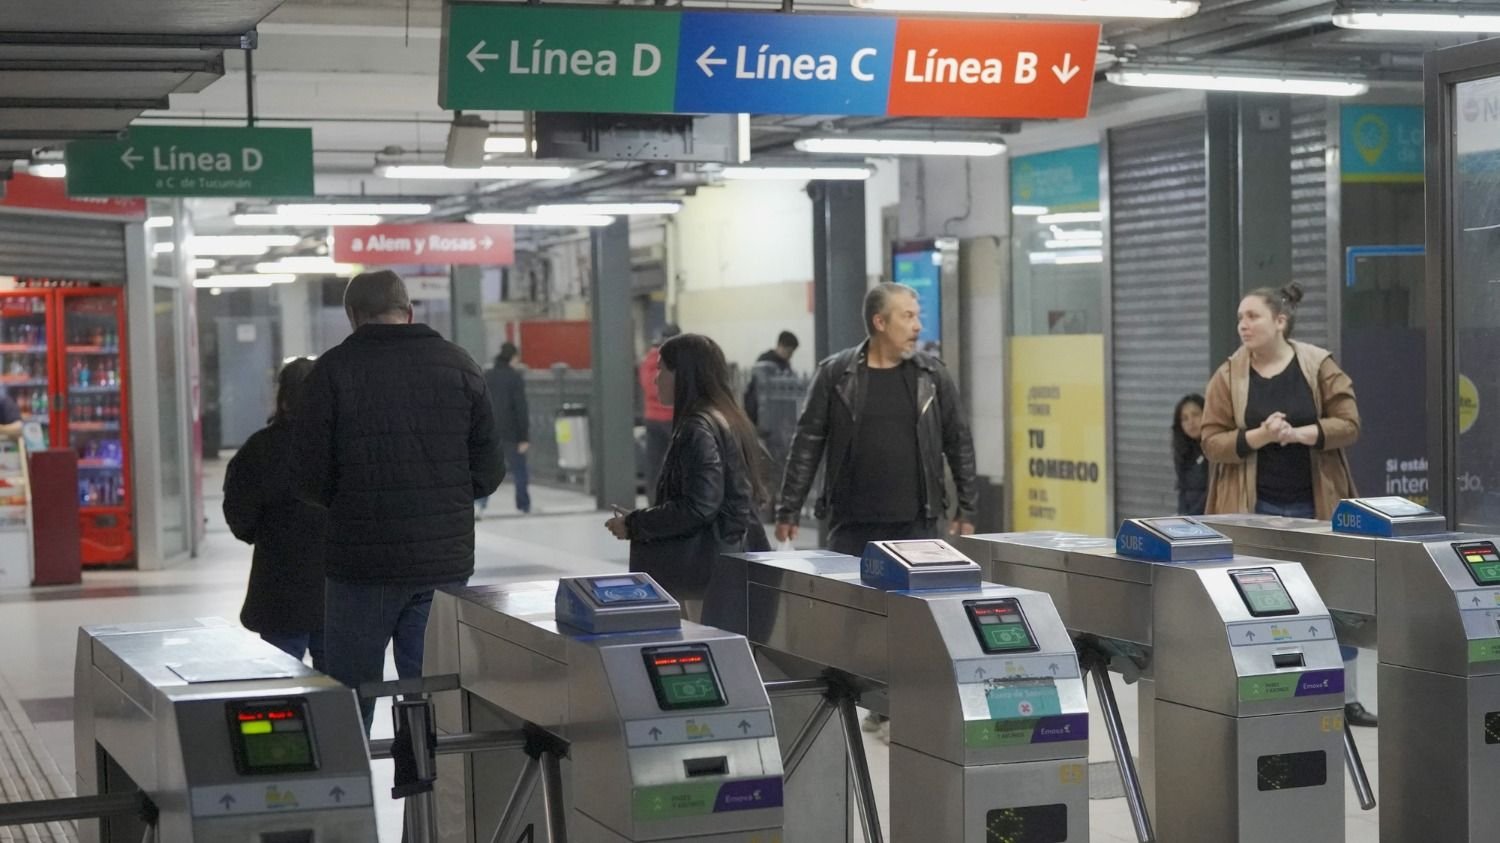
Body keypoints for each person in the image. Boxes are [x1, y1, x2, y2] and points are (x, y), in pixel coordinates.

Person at [294, 270, 504, 730]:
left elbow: (308, 477)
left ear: (353, 317)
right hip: (442, 565)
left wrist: (349, 502)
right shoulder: (460, 364)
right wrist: (441, 497)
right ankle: (430, 795)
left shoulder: (331, 371)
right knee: (432, 695)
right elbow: (489, 471)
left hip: (359, 568)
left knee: (352, 697)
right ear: (409, 311)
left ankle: (351, 795)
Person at [1200, 281, 1372, 727]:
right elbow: (1210, 441)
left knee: (1331, 601)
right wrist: (1258, 436)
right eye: (1240, 318)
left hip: (1315, 508)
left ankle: (1345, 696)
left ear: (1281, 321)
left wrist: (1301, 434)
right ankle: (1265, 691)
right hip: (1250, 509)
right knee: (1252, 605)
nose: (1243, 325)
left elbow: (1349, 424)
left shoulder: (1318, 366)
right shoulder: (1229, 375)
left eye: (1252, 316)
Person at [775, 283, 979, 556]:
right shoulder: (836, 375)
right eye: (907, 316)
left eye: (917, 316)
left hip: (917, 526)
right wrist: (789, 509)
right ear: (880, 322)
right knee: (848, 598)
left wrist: (966, 508)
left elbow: (959, 441)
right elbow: (806, 445)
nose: (917, 326)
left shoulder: (932, 376)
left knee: (913, 599)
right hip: (852, 526)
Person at [606, 333, 769, 614]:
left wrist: (635, 524)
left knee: (705, 644)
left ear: (683, 374)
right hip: (728, 562)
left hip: (706, 570)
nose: (655, 378)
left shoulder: (698, 427)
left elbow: (699, 506)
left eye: (662, 369)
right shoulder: (725, 416)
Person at [223, 358, 326, 667]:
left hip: (280, 582)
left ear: (282, 397)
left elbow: (239, 513)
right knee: (341, 684)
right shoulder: (342, 445)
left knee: (282, 676)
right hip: (337, 586)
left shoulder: (260, 449)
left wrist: (265, 533)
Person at [477, 342, 531, 518]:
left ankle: (480, 504)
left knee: (486, 470)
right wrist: (524, 437)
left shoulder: (487, 375)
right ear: (513, 358)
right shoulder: (515, 377)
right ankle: (523, 505)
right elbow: (520, 408)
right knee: (519, 470)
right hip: (512, 433)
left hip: (490, 431)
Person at [639, 323, 681, 504]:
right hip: (670, 418)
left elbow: (648, 386)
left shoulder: (649, 359)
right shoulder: (673, 360)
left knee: (655, 464)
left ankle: (654, 502)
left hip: (652, 418)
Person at [743, 330, 799, 427]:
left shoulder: (785, 364)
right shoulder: (765, 361)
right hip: (761, 412)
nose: (791, 356)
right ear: (780, 345)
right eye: (789, 352)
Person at [1172, 394, 1208, 516]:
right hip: (1187, 519)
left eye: (1195, 415)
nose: (1191, 422)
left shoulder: (1216, 450)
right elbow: (1182, 488)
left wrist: (1191, 518)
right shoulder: (1184, 450)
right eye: (1185, 418)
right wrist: (1182, 516)